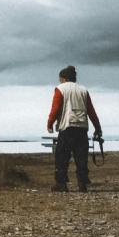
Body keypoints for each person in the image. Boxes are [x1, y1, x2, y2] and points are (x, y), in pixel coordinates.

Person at [46, 65, 102, 193]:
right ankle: (82, 184)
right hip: (82, 127)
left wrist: (50, 123)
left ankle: (61, 184)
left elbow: (56, 108)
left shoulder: (60, 89)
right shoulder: (83, 90)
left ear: (63, 78)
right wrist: (97, 127)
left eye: (60, 79)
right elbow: (91, 111)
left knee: (62, 157)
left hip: (67, 126)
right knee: (81, 157)